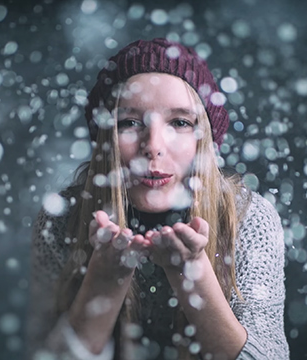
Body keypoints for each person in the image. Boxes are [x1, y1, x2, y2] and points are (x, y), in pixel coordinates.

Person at [26, 38, 289, 360]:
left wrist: (193, 274)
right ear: (105, 137)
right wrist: (105, 281)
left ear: (203, 140)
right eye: (130, 123)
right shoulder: (61, 219)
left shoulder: (249, 218)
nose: (153, 145)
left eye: (179, 122)